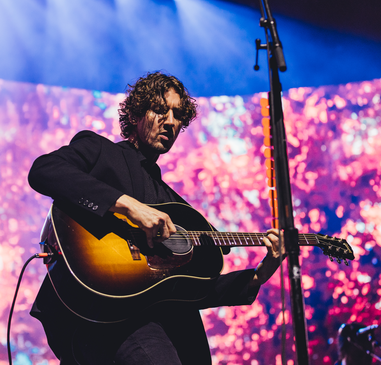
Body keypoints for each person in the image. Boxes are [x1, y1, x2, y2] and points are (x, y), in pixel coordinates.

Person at [28, 71, 283, 365]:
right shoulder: (100, 151)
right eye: (161, 110)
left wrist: (259, 275)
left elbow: (188, 288)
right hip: (103, 316)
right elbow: (44, 170)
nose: (171, 121)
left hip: (160, 321)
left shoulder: (176, 207)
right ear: (135, 114)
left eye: (178, 115)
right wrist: (127, 206)